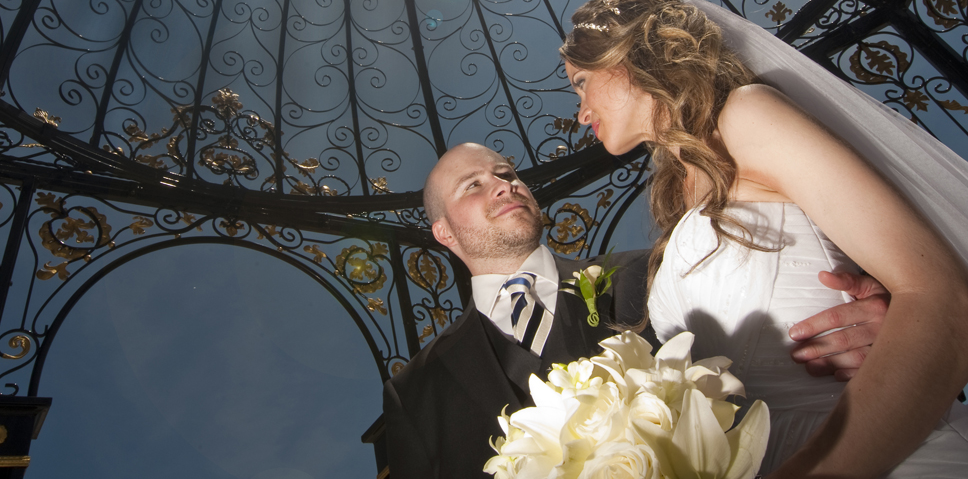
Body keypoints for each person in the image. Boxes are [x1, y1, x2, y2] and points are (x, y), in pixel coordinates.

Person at [559, 0, 968, 477]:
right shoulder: (684, 193)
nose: (581, 113)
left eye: (581, 81)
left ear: (629, 55)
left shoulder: (747, 117)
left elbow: (938, 293)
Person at [382, 141, 891, 478]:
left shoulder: (652, 271)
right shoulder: (415, 390)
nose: (505, 183)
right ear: (444, 232)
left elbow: (774, 336)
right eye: (473, 184)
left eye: (507, 172)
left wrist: (882, 330)